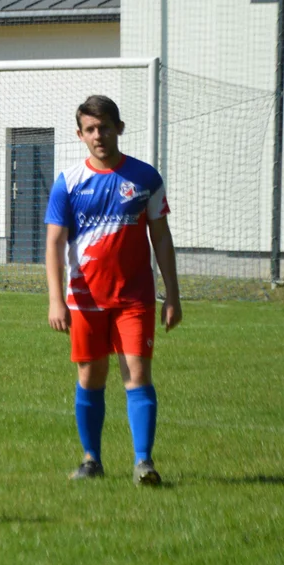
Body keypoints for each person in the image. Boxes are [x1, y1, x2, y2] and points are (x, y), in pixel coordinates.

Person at [44, 95, 181, 486]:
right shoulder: (68, 183)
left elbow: (162, 237)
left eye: (104, 126)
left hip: (134, 297)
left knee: (137, 374)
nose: (98, 135)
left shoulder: (145, 178)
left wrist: (172, 294)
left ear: (119, 128)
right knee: (91, 376)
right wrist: (56, 300)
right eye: (90, 129)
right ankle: (91, 460)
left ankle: (143, 463)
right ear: (80, 134)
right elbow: (54, 244)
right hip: (85, 299)